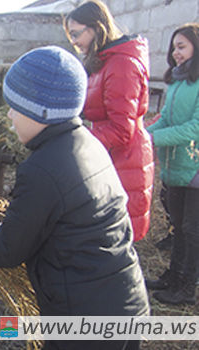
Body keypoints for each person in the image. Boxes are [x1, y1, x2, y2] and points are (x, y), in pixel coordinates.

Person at [0, 46, 149, 350]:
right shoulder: (87, 142)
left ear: (41, 113)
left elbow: (9, 251)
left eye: (15, 107)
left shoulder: (41, 169)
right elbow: (59, 224)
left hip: (85, 321)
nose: (9, 114)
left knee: (15, 332)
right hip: (123, 301)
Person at [64, 0, 154, 242]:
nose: (73, 41)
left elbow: (122, 130)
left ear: (96, 28)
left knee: (118, 237)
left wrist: (75, 138)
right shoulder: (104, 61)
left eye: (76, 33)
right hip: (112, 157)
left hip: (125, 161)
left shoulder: (121, 64)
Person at [145, 23, 199, 305]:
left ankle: (187, 288)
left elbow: (195, 128)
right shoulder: (178, 81)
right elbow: (165, 118)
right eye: (174, 47)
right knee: (178, 226)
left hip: (195, 165)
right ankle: (173, 276)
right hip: (177, 164)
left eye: (182, 47)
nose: (175, 53)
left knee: (192, 230)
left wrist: (156, 139)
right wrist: (143, 135)